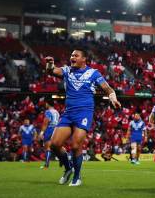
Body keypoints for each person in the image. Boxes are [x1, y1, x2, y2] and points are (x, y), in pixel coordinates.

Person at [45, 49, 121, 186]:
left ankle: (77, 176)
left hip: (84, 113)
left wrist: (113, 99)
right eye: (71, 55)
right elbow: (52, 71)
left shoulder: (93, 73)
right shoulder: (67, 70)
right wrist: (50, 65)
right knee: (54, 144)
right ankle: (68, 168)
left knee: (75, 146)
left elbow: (107, 88)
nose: (72, 57)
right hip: (68, 113)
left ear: (84, 59)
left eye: (75, 55)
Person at [39, 101, 60, 169]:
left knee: (47, 147)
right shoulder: (57, 112)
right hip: (56, 130)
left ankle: (46, 165)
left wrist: (42, 132)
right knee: (56, 148)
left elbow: (46, 122)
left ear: (47, 103)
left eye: (46, 103)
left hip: (50, 129)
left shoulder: (48, 112)